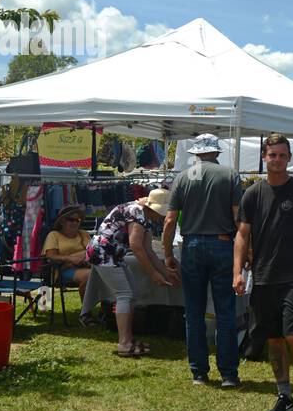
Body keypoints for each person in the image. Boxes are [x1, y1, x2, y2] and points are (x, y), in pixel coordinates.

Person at [234, 132, 293, 411]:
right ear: (264, 158)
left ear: (289, 158)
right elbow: (242, 235)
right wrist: (237, 271)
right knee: (274, 339)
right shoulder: (252, 194)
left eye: (282, 155)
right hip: (263, 278)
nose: (276, 160)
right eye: (271, 155)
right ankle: (284, 395)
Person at [163, 133, 244, 387]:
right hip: (222, 244)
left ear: (196, 153)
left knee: (194, 312)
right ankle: (228, 374)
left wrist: (167, 254)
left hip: (192, 246)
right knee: (225, 312)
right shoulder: (230, 176)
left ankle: (199, 372)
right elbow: (238, 219)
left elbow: (169, 221)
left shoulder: (182, 178)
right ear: (217, 153)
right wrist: (246, 253)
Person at [85, 188, 174, 358]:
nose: (162, 217)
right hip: (104, 253)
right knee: (124, 295)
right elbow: (136, 246)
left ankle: (128, 339)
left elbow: (148, 249)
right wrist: (153, 274)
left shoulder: (143, 216)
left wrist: (165, 272)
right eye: (161, 213)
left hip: (113, 254)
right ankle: (124, 343)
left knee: (131, 294)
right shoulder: (137, 212)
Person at [43, 204, 92, 320]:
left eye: (77, 220)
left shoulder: (83, 234)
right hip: (62, 270)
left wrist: (79, 257)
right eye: (71, 219)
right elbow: (51, 256)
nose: (75, 222)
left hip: (85, 266)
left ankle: (106, 310)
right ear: (62, 222)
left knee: (105, 273)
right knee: (90, 275)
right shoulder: (54, 235)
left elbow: (92, 251)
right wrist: (71, 259)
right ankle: (86, 314)